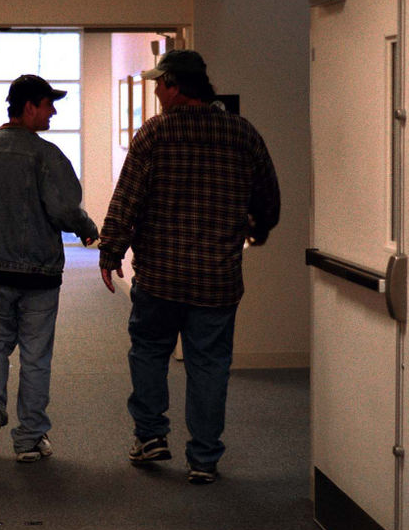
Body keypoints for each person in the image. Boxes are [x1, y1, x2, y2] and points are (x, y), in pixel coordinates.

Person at [99, 50, 280, 484]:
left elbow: (127, 198)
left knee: (148, 352)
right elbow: (268, 196)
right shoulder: (242, 134)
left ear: (176, 86)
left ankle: (151, 437)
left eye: (160, 84)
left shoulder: (155, 134)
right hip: (217, 277)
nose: (157, 91)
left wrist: (110, 251)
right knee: (209, 365)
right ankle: (203, 458)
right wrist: (258, 229)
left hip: (160, 274)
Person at [0, 74, 99, 463]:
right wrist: (87, 230)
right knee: (35, 354)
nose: (53, 111)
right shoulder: (46, 155)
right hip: (39, 273)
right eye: (48, 104)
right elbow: (66, 209)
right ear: (28, 107)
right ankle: (29, 438)